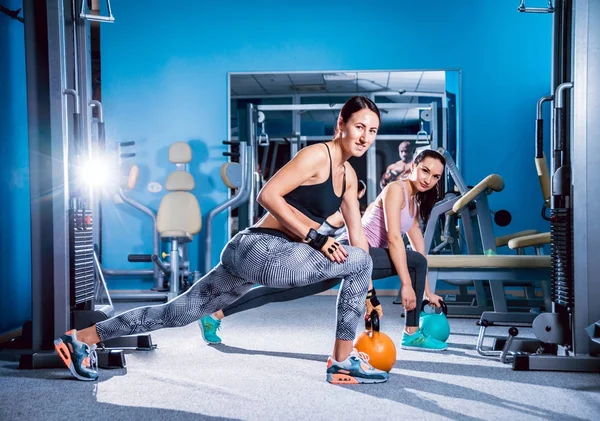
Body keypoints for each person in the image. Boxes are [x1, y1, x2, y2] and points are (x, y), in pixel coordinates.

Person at [53, 96, 388, 385]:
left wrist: (368, 295)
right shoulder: (318, 155)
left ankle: (81, 340)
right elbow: (268, 195)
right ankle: (342, 362)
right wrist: (315, 237)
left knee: (177, 313)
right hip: (266, 250)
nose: (365, 137)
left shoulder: (349, 178)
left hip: (247, 254)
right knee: (359, 261)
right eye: (359, 127)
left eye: (372, 131)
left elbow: (358, 237)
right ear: (341, 124)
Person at [200, 149, 448, 352]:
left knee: (288, 291)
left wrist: (427, 292)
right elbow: (395, 239)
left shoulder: (416, 202)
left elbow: (419, 248)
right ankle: (412, 333)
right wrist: (406, 284)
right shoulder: (397, 189)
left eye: (436, 176)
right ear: (413, 165)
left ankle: (215, 313)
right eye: (425, 170)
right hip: (352, 251)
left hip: (358, 256)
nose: (428, 179)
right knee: (413, 261)